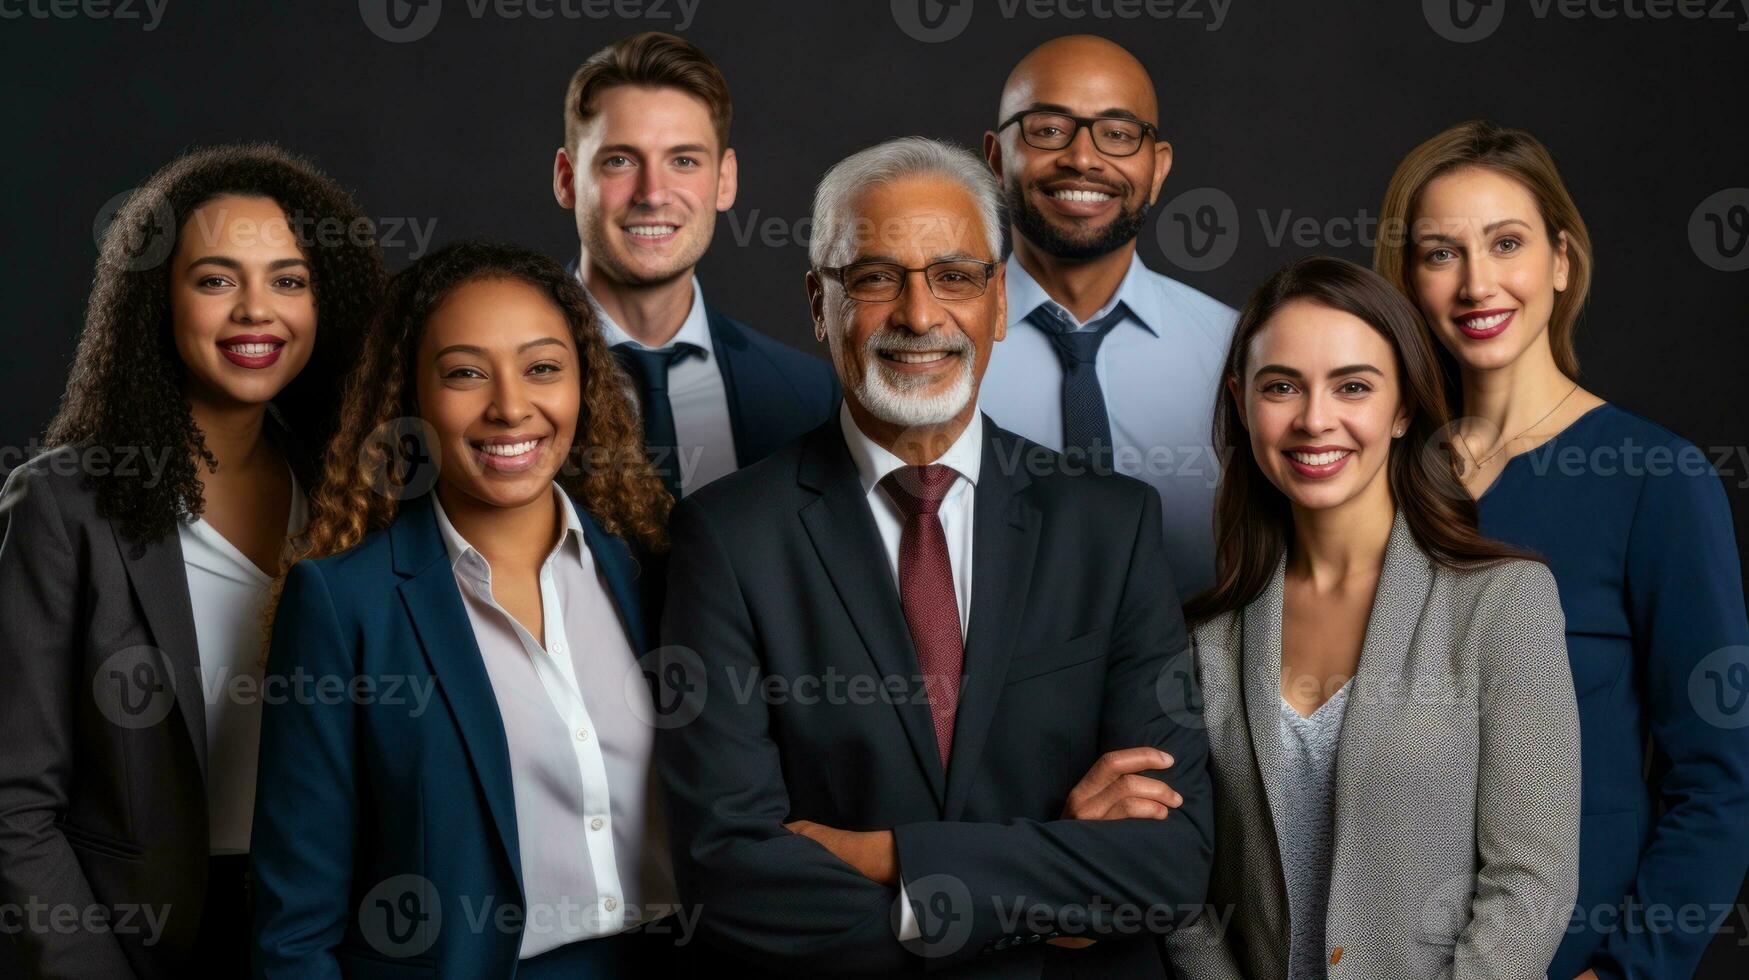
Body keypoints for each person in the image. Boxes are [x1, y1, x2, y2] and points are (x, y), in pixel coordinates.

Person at [655, 137, 1213, 977]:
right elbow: (730, 876)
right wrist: (1048, 888)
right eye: (875, 278)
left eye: (954, 276)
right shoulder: (727, 538)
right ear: (818, 303)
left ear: (997, 301)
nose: (919, 316)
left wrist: (890, 857)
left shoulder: (1111, 524)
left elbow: (1170, 864)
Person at [1374, 119, 1749, 980]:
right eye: (1440, 253)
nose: (1477, 283)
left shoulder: (1654, 476)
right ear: (1404, 278)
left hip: (1567, 955)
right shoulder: (1373, 474)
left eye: (1506, 243)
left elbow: (1719, 776)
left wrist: (1625, 973)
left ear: (1561, 261)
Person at [251, 243, 689, 977]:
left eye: (543, 367)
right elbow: (293, 932)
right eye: (464, 374)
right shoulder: (344, 604)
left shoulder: (658, 568)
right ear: (411, 398)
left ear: (587, 385)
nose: (511, 406)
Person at [0, 144, 384, 977]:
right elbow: (12, 802)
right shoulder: (63, 507)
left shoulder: (353, 497)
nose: (258, 311)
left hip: (325, 933)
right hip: (140, 944)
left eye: (290, 280)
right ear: (156, 301)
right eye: (216, 280)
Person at [1163, 255, 1580, 979]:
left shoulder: (1504, 601)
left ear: (1402, 408)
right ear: (1240, 401)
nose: (1314, 419)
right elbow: (1182, 891)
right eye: (1281, 386)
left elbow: (1531, 884)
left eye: (1351, 386)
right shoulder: (1203, 639)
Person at [978, 35, 1238, 600]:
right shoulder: (936, 350)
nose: (1082, 157)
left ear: (1158, 167)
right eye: (1048, 129)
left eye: (1118, 134)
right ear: (997, 157)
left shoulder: (1238, 349)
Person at [553, 31, 838, 499]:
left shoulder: (806, 394)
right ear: (567, 180)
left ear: (725, 181)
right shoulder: (502, 378)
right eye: (620, 160)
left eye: (683, 160)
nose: (653, 194)